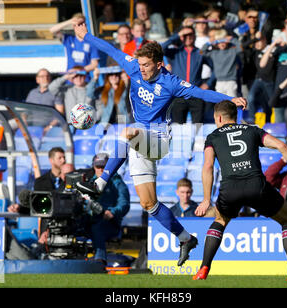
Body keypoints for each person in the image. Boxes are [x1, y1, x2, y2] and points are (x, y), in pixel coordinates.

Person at [71, 21, 247, 267]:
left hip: (158, 139)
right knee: (148, 203)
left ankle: (100, 183)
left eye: (146, 65)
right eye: (140, 64)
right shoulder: (133, 67)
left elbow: (200, 93)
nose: (141, 69)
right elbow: (110, 51)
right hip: (140, 142)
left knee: (128, 130)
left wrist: (230, 99)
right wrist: (86, 36)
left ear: (159, 64)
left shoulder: (171, 82)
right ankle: (185, 238)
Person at [193, 100, 287, 282]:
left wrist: (205, 199)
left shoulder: (213, 137)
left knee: (220, 220)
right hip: (256, 186)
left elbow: (208, 166)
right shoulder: (252, 130)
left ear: (218, 117)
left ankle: (203, 268)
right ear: (235, 117)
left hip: (230, 188)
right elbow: (282, 146)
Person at [161, 25, 215, 124]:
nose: (188, 37)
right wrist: (177, 35)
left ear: (195, 36)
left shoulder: (200, 53)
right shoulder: (175, 52)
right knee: (178, 127)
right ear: (181, 37)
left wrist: (208, 83)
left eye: (191, 34)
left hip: (196, 94)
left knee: (198, 127)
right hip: (178, 95)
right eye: (185, 35)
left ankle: (198, 140)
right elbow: (160, 48)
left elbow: (216, 69)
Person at [86, 153, 130, 264]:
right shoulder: (88, 182)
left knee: (98, 227)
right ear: (94, 167)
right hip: (89, 220)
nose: (101, 169)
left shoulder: (117, 183)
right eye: (98, 166)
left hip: (110, 223)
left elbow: (124, 204)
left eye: (104, 167)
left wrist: (112, 212)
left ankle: (100, 261)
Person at [245, 33, 276, 124]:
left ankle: (268, 122)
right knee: (250, 97)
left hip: (270, 81)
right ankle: (251, 119)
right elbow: (244, 46)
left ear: (265, 40)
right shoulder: (255, 51)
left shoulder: (273, 51)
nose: (257, 44)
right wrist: (255, 38)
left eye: (259, 41)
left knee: (269, 104)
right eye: (256, 42)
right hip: (258, 80)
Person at [201, 29, 242, 98]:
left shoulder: (232, 51)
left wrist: (232, 39)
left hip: (231, 81)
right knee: (221, 104)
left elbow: (240, 48)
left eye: (223, 41)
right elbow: (201, 52)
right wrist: (209, 43)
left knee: (232, 103)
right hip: (219, 82)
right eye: (219, 41)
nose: (222, 43)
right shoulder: (214, 52)